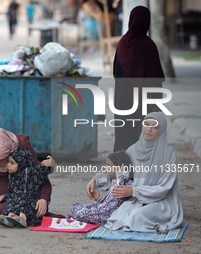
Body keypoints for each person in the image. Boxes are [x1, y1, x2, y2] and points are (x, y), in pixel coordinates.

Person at [88, 112, 184, 233]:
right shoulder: (133, 150)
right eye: (146, 124)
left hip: (160, 202)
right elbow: (116, 172)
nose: (149, 129)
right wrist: (96, 180)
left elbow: (164, 188)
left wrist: (133, 191)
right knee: (118, 215)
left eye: (155, 127)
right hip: (136, 201)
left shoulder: (169, 155)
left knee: (136, 217)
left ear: (161, 130)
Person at [113, 6, 165, 152]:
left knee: (123, 134)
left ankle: (122, 166)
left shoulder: (122, 43)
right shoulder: (148, 46)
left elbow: (115, 72)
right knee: (142, 135)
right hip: (142, 102)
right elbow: (155, 78)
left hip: (122, 99)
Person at [0, 128, 52, 223]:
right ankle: (10, 215)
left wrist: (43, 198)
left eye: (5, 159)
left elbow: (41, 175)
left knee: (23, 204)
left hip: (21, 194)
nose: (2, 163)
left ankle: (17, 216)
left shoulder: (22, 145)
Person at [68, 151, 133, 225]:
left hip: (108, 215)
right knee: (75, 206)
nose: (106, 167)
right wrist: (99, 198)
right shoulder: (114, 181)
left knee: (81, 213)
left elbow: (112, 208)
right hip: (103, 211)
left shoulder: (124, 182)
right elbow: (109, 203)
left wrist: (122, 174)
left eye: (109, 165)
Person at [0, 148, 52, 227]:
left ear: (21, 163)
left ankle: (23, 219)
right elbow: (14, 193)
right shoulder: (12, 176)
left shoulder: (32, 171)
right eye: (7, 162)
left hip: (34, 205)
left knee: (22, 195)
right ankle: (10, 217)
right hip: (21, 204)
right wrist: (4, 196)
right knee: (13, 198)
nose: (8, 165)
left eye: (12, 163)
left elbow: (44, 168)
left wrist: (51, 162)